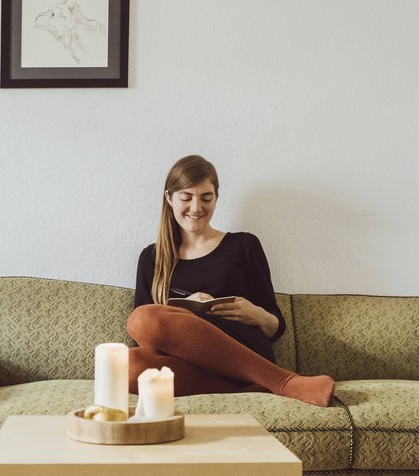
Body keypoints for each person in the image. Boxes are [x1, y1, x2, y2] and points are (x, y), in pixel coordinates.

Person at [128, 155, 335, 407]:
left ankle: (284, 381)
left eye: (206, 197)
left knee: (144, 318)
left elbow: (276, 326)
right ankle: (253, 388)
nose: (196, 208)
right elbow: (142, 336)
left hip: (245, 349)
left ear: (216, 197)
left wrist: (256, 314)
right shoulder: (152, 257)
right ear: (169, 197)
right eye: (186, 197)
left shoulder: (243, 245)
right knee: (130, 363)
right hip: (186, 364)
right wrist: (181, 310)